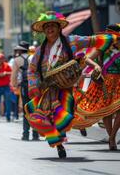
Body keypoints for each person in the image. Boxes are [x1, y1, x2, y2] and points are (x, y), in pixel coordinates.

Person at [25, 11, 117, 158]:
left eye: (52, 26)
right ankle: (59, 145)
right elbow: (32, 70)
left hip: (67, 88)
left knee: (64, 114)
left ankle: (60, 139)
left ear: (59, 28)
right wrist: (34, 85)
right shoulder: (39, 51)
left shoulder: (72, 41)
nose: (50, 29)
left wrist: (111, 37)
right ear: (43, 30)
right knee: (49, 117)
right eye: (47, 26)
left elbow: (91, 40)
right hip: (49, 89)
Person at [73, 23, 120, 150]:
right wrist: (96, 66)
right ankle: (112, 138)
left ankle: (112, 137)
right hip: (105, 81)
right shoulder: (104, 45)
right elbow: (87, 58)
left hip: (119, 82)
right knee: (107, 112)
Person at [10, 41, 39, 141]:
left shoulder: (17, 60)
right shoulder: (34, 57)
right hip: (35, 85)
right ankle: (36, 134)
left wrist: (14, 85)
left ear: (19, 50)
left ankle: (25, 134)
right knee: (35, 109)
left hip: (24, 86)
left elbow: (14, 75)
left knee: (26, 109)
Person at [0, 53, 12, 122]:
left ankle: (8, 116)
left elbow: (12, 73)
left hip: (6, 86)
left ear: (3, 59)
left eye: (0, 58)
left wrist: (6, 73)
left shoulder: (7, 66)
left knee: (8, 102)